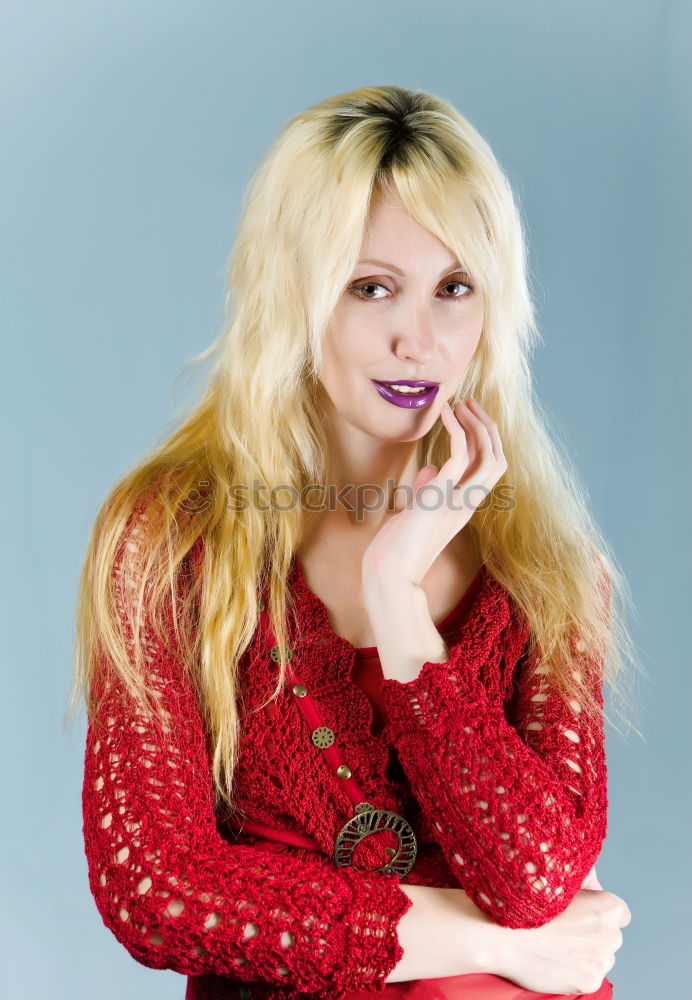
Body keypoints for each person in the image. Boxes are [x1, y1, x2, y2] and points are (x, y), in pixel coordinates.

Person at [65, 85, 636, 1000]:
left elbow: (535, 881)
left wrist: (398, 591)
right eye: (372, 288)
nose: (421, 338)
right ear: (292, 298)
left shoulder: (545, 563)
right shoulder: (173, 537)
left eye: (455, 288)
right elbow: (156, 888)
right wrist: (481, 938)